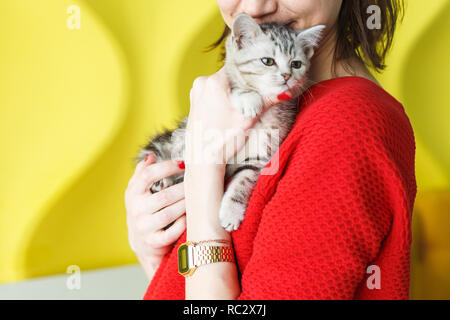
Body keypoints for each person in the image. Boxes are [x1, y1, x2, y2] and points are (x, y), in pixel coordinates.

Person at [125, 0, 417, 299]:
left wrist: (204, 165)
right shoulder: (267, 106)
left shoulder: (348, 123)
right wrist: (152, 255)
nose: (254, 6)